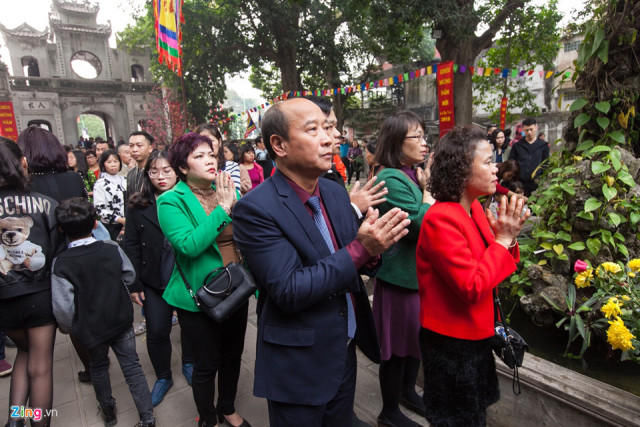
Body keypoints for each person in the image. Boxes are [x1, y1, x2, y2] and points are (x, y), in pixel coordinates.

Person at [233, 98, 411, 427]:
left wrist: (373, 249)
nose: (329, 139)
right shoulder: (256, 209)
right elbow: (288, 288)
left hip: (342, 347)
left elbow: (350, 260)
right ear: (279, 144)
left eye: (328, 129)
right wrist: (361, 249)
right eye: (313, 130)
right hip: (298, 363)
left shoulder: (333, 192)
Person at [416, 126, 528, 427]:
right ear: (462, 169)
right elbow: (472, 285)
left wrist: (509, 237)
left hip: (476, 334)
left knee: (474, 414)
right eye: (489, 161)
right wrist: (503, 242)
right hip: (451, 342)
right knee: (455, 418)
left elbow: (492, 260)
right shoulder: (440, 219)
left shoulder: (474, 208)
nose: (497, 168)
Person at [158, 133, 249, 427]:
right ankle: (207, 418)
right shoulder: (171, 201)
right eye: (198, 156)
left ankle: (227, 407)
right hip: (200, 295)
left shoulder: (227, 189)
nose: (209, 160)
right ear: (182, 167)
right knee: (206, 364)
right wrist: (223, 208)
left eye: (211, 154)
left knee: (233, 356)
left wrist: (239, 202)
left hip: (237, 287)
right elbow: (189, 245)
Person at [51, 198, 155, 427]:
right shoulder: (111, 248)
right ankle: (147, 418)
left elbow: (63, 307)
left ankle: (108, 413)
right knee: (132, 367)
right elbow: (129, 275)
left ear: (60, 229)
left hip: (90, 327)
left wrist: (71, 327)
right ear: (95, 223)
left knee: (98, 368)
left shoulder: (61, 263)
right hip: (120, 318)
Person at [372, 111, 432, 427]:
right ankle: (389, 411)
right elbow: (419, 225)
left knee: (414, 343)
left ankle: (409, 393)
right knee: (395, 349)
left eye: (424, 136)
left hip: (416, 278)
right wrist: (429, 192)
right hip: (399, 280)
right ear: (397, 141)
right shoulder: (389, 178)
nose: (424, 143)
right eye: (418, 136)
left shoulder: (410, 174)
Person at [124, 150, 194, 406]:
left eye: (167, 170)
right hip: (154, 279)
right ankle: (163, 376)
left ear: (177, 170)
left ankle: (189, 362)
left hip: (187, 276)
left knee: (190, 325)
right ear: (147, 174)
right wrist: (133, 283)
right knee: (156, 330)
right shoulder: (138, 204)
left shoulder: (190, 199)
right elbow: (130, 244)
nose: (161, 176)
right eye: (154, 171)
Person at [0, 138, 61, 427]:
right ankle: (38, 423)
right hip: (39, 295)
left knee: (23, 353)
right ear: (22, 163)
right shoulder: (46, 204)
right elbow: (58, 251)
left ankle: (15, 420)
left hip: (4, 299)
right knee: (41, 369)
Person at [93, 150, 126, 240]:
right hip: (111, 226)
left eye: (115, 161)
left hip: (128, 224)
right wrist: (119, 219)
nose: (113, 164)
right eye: (109, 162)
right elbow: (99, 209)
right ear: (103, 164)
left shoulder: (125, 180)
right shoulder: (100, 183)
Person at [127, 131, 155, 197]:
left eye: (139, 145)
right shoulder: (131, 173)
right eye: (131, 146)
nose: (134, 149)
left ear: (150, 148)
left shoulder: (155, 172)